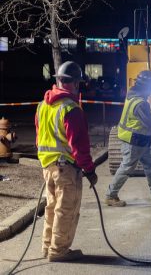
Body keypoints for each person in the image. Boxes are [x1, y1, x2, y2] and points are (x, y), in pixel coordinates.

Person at [35, 61, 98, 262]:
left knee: (52, 208)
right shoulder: (71, 109)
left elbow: (39, 138)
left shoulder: (42, 105)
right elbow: (79, 146)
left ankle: (48, 247)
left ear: (59, 80)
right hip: (66, 169)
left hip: (48, 167)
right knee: (66, 210)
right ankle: (59, 251)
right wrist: (89, 170)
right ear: (76, 83)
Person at [105, 70, 151, 207]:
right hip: (134, 141)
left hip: (141, 141)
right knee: (126, 168)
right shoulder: (141, 103)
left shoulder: (132, 95)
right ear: (147, 86)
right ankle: (110, 195)